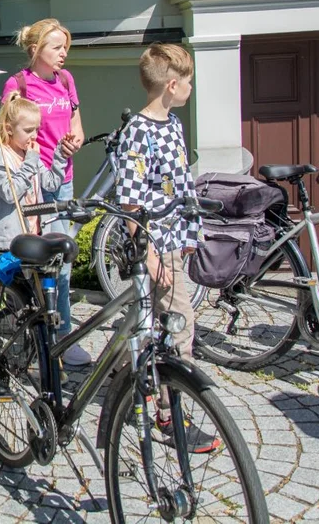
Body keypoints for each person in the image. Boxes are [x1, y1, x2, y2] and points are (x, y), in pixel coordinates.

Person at [113, 43, 217, 453]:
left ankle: (126, 382)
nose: (192, 87)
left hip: (174, 238)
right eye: (188, 81)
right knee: (179, 327)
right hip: (154, 242)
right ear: (172, 85)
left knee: (147, 320)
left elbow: (178, 186)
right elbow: (131, 200)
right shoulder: (138, 132)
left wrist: (189, 236)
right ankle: (171, 413)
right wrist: (150, 254)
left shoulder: (171, 124)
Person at [0, 18, 87, 366]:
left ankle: (59, 334)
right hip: (33, 182)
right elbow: (7, 131)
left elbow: (76, 119)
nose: (63, 53)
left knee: (60, 261)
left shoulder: (66, 80)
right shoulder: (18, 84)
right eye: (56, 47)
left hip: (62, 177)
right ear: (36, 49)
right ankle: (43, 331)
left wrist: (76, 138)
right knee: (42, 262)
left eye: (65, 46)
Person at [0, 93, 67, 247]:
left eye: (37, 130)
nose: (34, 136)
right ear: (9, 129)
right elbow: (10, 194)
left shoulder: (28, 155)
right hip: (9, 241)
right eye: (28, 130)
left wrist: (60, 156)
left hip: (34, 235)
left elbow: (51, 184)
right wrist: (30, 162)